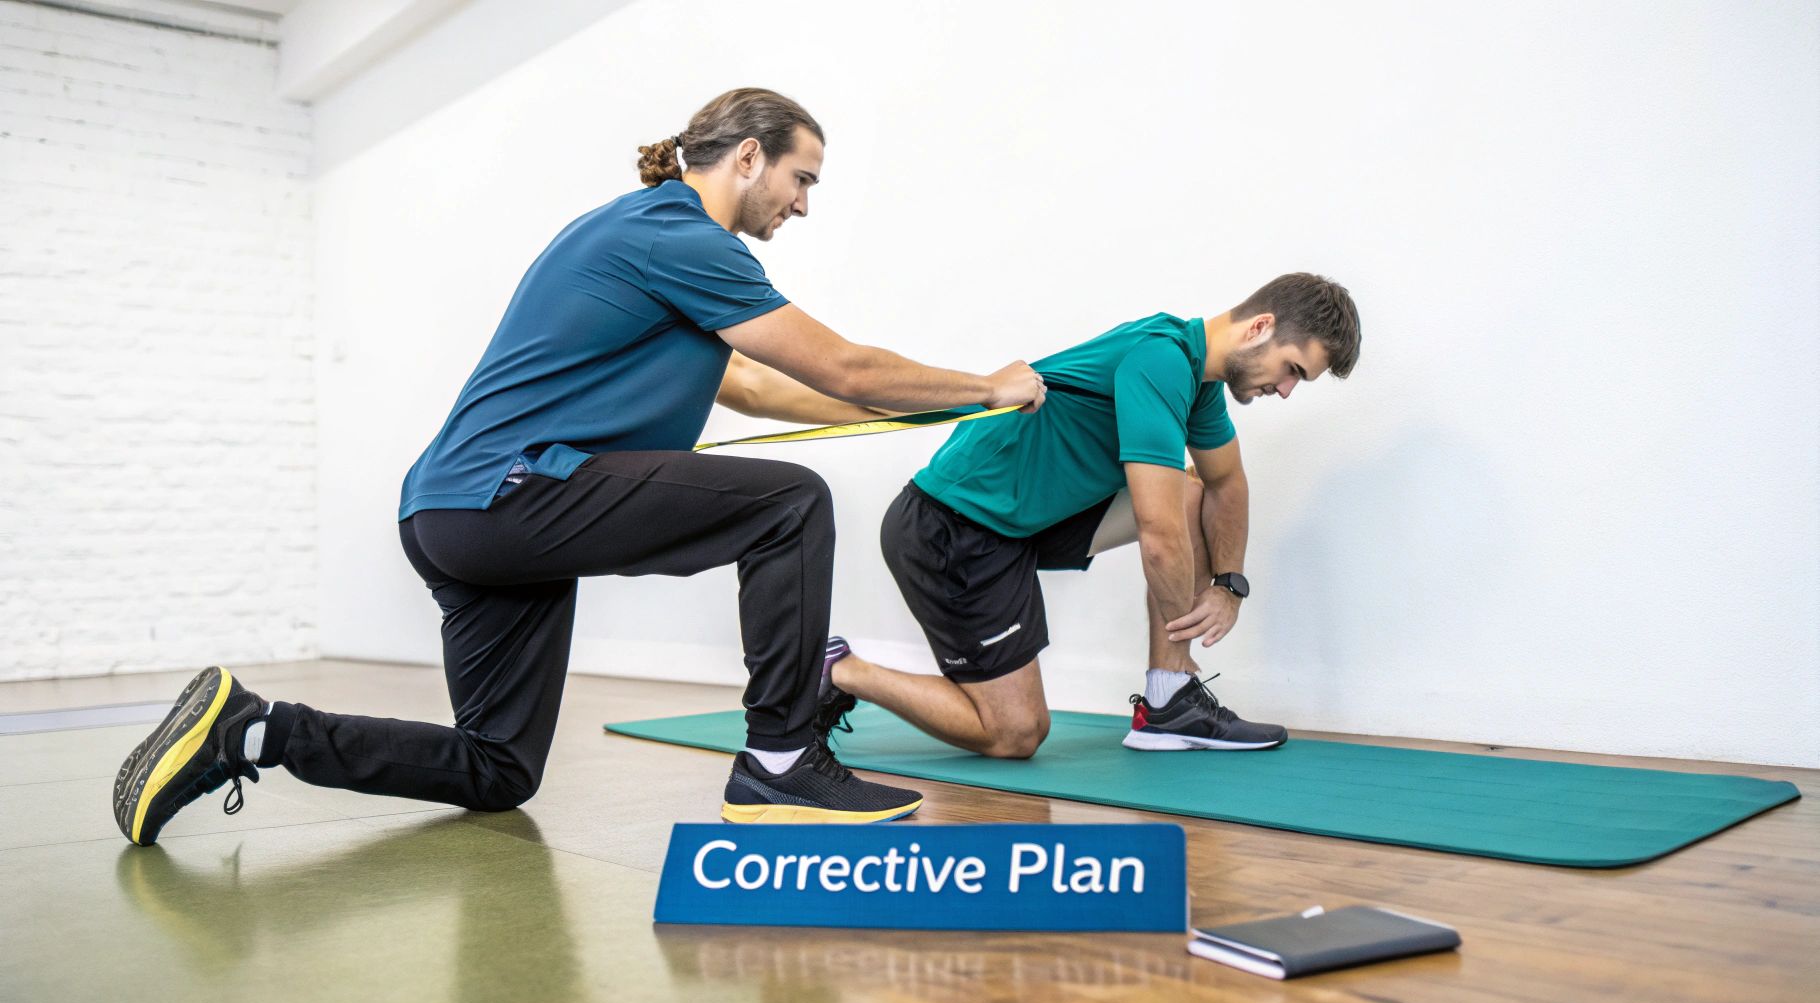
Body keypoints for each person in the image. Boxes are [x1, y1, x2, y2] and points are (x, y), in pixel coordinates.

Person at [113, 87, 1047, 846]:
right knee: (791, 504)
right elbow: (838, 364)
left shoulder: (641, 235)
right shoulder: (682, 238)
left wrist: (901, 408)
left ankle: (256, 727)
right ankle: (777, 763)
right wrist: (982, 388)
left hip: (456, 516)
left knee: (498, 771)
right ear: (750, 158)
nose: (802, 202)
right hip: (508, 497)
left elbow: (764, 390)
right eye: (801, 179)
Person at [823, 274, 1360, 759]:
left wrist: (1230, 585)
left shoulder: (1199, 381)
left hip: (1024, 522)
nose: (1286, 389)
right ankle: (839, 670)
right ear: (1259, 328)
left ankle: (1166, 705)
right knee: (1017, 734)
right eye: (1292, 369)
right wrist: (1184, 636)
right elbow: (1159, 535)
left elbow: (1227, 482)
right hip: (951, 528)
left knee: (1193, 490)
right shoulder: (1161, 359)